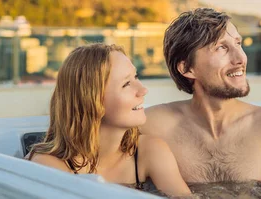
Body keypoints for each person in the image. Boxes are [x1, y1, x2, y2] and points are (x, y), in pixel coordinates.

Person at [140, 8, 261, 189]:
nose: (240, 58)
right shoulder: (151, 126)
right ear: (187, 68)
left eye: (238, 44)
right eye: (221, 47)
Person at [27, 43, 191, 197]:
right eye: (126, 84)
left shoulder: (148, 151)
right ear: (91, 100)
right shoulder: (49, 166)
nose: (143, 90)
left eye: (136, 77)